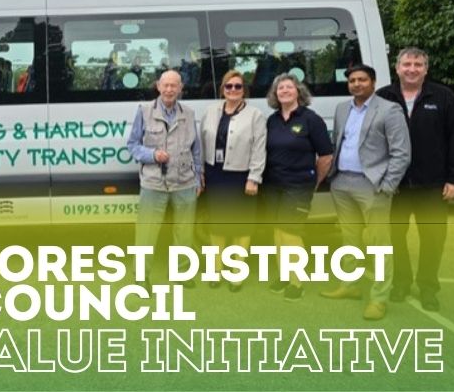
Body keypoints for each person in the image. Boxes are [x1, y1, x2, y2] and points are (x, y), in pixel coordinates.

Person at [376, 47, 454, 312]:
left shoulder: (443, 97)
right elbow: (374, 141)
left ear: (426, 69)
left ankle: (428, 287)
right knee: (394, 237)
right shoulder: (383, 97)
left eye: (418, 64)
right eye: (407, 64)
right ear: (397, 68)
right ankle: (401, 283)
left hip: (433, 185)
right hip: (395, 186)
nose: (412, 69)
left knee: (433, 238)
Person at [320, 64, 411, 321]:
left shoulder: (389, 110)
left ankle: (379, 298)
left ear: (373, 82)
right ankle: (349, 286)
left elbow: (401, 153)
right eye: (352, 80)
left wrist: (387, 186)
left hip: (372, 186)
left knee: (379, 244)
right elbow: (339, 141)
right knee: (349, 241)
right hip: (342, 183)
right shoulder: (341, 109)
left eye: (362, 80)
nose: (356, 84)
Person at [126, 70, 202, 288]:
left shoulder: (188, 112)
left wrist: (198, 175)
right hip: (154, 182)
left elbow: (196, 148)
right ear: (158, 86)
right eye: (165, 85)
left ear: (180, 88)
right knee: (147, 232)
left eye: (174, 86)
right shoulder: (144, 111)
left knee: (184, 231)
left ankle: (181, 273)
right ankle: (141, 277)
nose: (169, 89)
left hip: (184, 181)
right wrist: (152, 155)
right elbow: (132, 145)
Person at [262, 73, 333, 302]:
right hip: (273, 185)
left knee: (291, 233)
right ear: (275, 94)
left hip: (298, 186)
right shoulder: (272, 120)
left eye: (289, 88)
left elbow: (325, 156)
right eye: (280, 88)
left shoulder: (311, 119)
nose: (284, 91)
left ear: (298, 92)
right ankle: (284, 274)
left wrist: (314, 182)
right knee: (278, 232)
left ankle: (297, 281)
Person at [199, 70, 267, 292]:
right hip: (215, 174)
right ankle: (216, 270)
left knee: (241, 226)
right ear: (222, 89)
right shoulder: (210, 112)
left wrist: (254, 178)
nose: (233, 90)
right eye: (229, 86)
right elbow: (201, 143)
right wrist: (200, 173)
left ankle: (236, 272)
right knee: (216, 225)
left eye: (238, 86)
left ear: (244, 89)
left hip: (241, 176)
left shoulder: (255, 115)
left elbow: (259, 148)